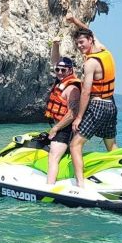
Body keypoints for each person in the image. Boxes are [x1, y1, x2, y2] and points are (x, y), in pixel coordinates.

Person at [66, 14, 117, 187]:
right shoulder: (105, 51)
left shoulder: (91, 63)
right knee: (110, 143)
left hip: (97, 105)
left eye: (82, 43)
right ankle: (121, 175)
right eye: (77, 44)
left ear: (90, 40)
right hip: (111, 104)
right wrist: (74, 22)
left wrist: (79, 116)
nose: (80, 46)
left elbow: (86, 92)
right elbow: (90, 31)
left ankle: (80, 184)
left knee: (75, 145)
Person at [43, 42, 81, 184]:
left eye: (63, 70)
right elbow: (54, 60)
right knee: (55, 154)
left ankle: (49, 187)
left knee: (53, 156)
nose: (59, 72)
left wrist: (56, 128)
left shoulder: (72, 88)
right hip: (58, 125)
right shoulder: (60, 81)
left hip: (65, 128)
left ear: (70, 71)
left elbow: (72, 114)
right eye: (57, 70)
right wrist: (55, 45)